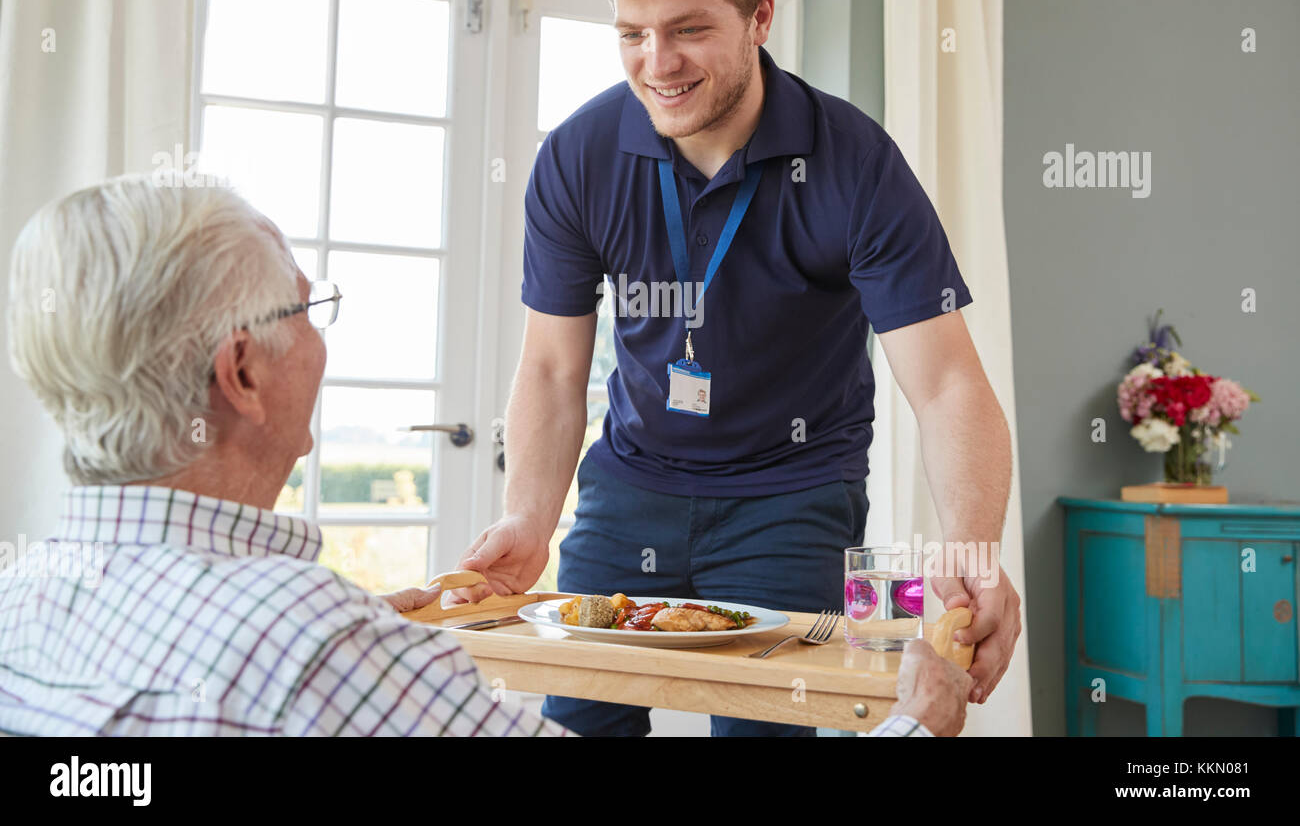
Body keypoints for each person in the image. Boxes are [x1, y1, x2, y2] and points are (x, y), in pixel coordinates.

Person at [0, 175, 969, 738]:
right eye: (305, 307)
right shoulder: (311, 639)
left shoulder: (24, 593)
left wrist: (376, 620)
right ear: (242, 372)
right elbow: (287, 662)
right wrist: (912, 722)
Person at [453, 0, 1020, 737]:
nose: (657, 62)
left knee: (766, 725)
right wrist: (529, 518)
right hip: (630, 486)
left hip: (791, 496)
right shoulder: (578, 156)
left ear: (760, 16)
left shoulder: (855, 162)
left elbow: (947, 385)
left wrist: (973, 549)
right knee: (578, 719)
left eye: (687, 29)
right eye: (632, 34)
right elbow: (549, 367)